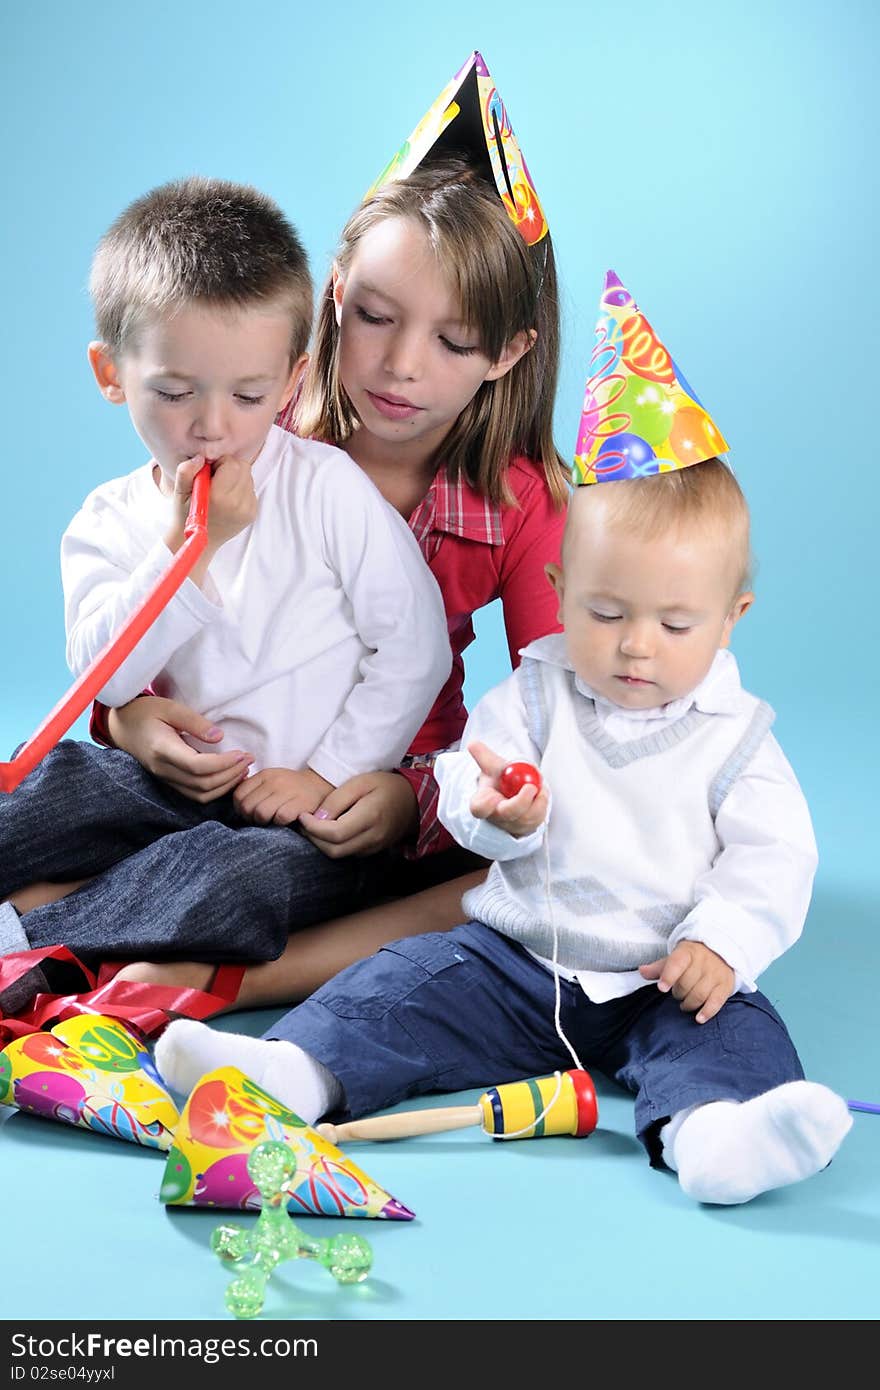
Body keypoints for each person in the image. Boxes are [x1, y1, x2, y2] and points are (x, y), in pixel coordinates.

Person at [153, 276, 852, 1206]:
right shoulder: (538, 693)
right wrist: (496, 816)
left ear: (732, 619)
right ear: (561, 591)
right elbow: (463, 780)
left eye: (674, 625)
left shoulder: (737, 737)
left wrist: (721, 941)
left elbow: (775, 858)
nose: (636, 645)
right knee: (398, 984)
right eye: (606, 612)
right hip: (517, 961)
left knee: (739, 1032)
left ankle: (716, 1136)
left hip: (662, 975)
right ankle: (288, 1070)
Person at [71, 56, 570, 1008]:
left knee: (533, 885)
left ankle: (231, 973)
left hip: (365, 807)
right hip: (205, 768)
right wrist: (126, 721)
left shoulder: (520, 504)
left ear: (508, 353)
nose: (399, 365)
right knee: (72, 797)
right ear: (334, 295)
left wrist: (412, 800)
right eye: (375, 316)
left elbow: (561, 724)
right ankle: (96, 917)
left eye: (454, 341)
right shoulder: (256, 416)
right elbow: (139, 611)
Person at [0, 174, 453, 973]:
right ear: (111, 376)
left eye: (249, 395)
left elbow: (416, 649)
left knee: (225, 882)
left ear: (291, 380)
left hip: (303, 824)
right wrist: (188, 548)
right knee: (53, 788)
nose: (212, 427)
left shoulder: (326, 488)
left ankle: (24, 947)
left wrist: (324, 774)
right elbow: (107, 679)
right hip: (162, 786)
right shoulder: (105, 522)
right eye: (174, 393)